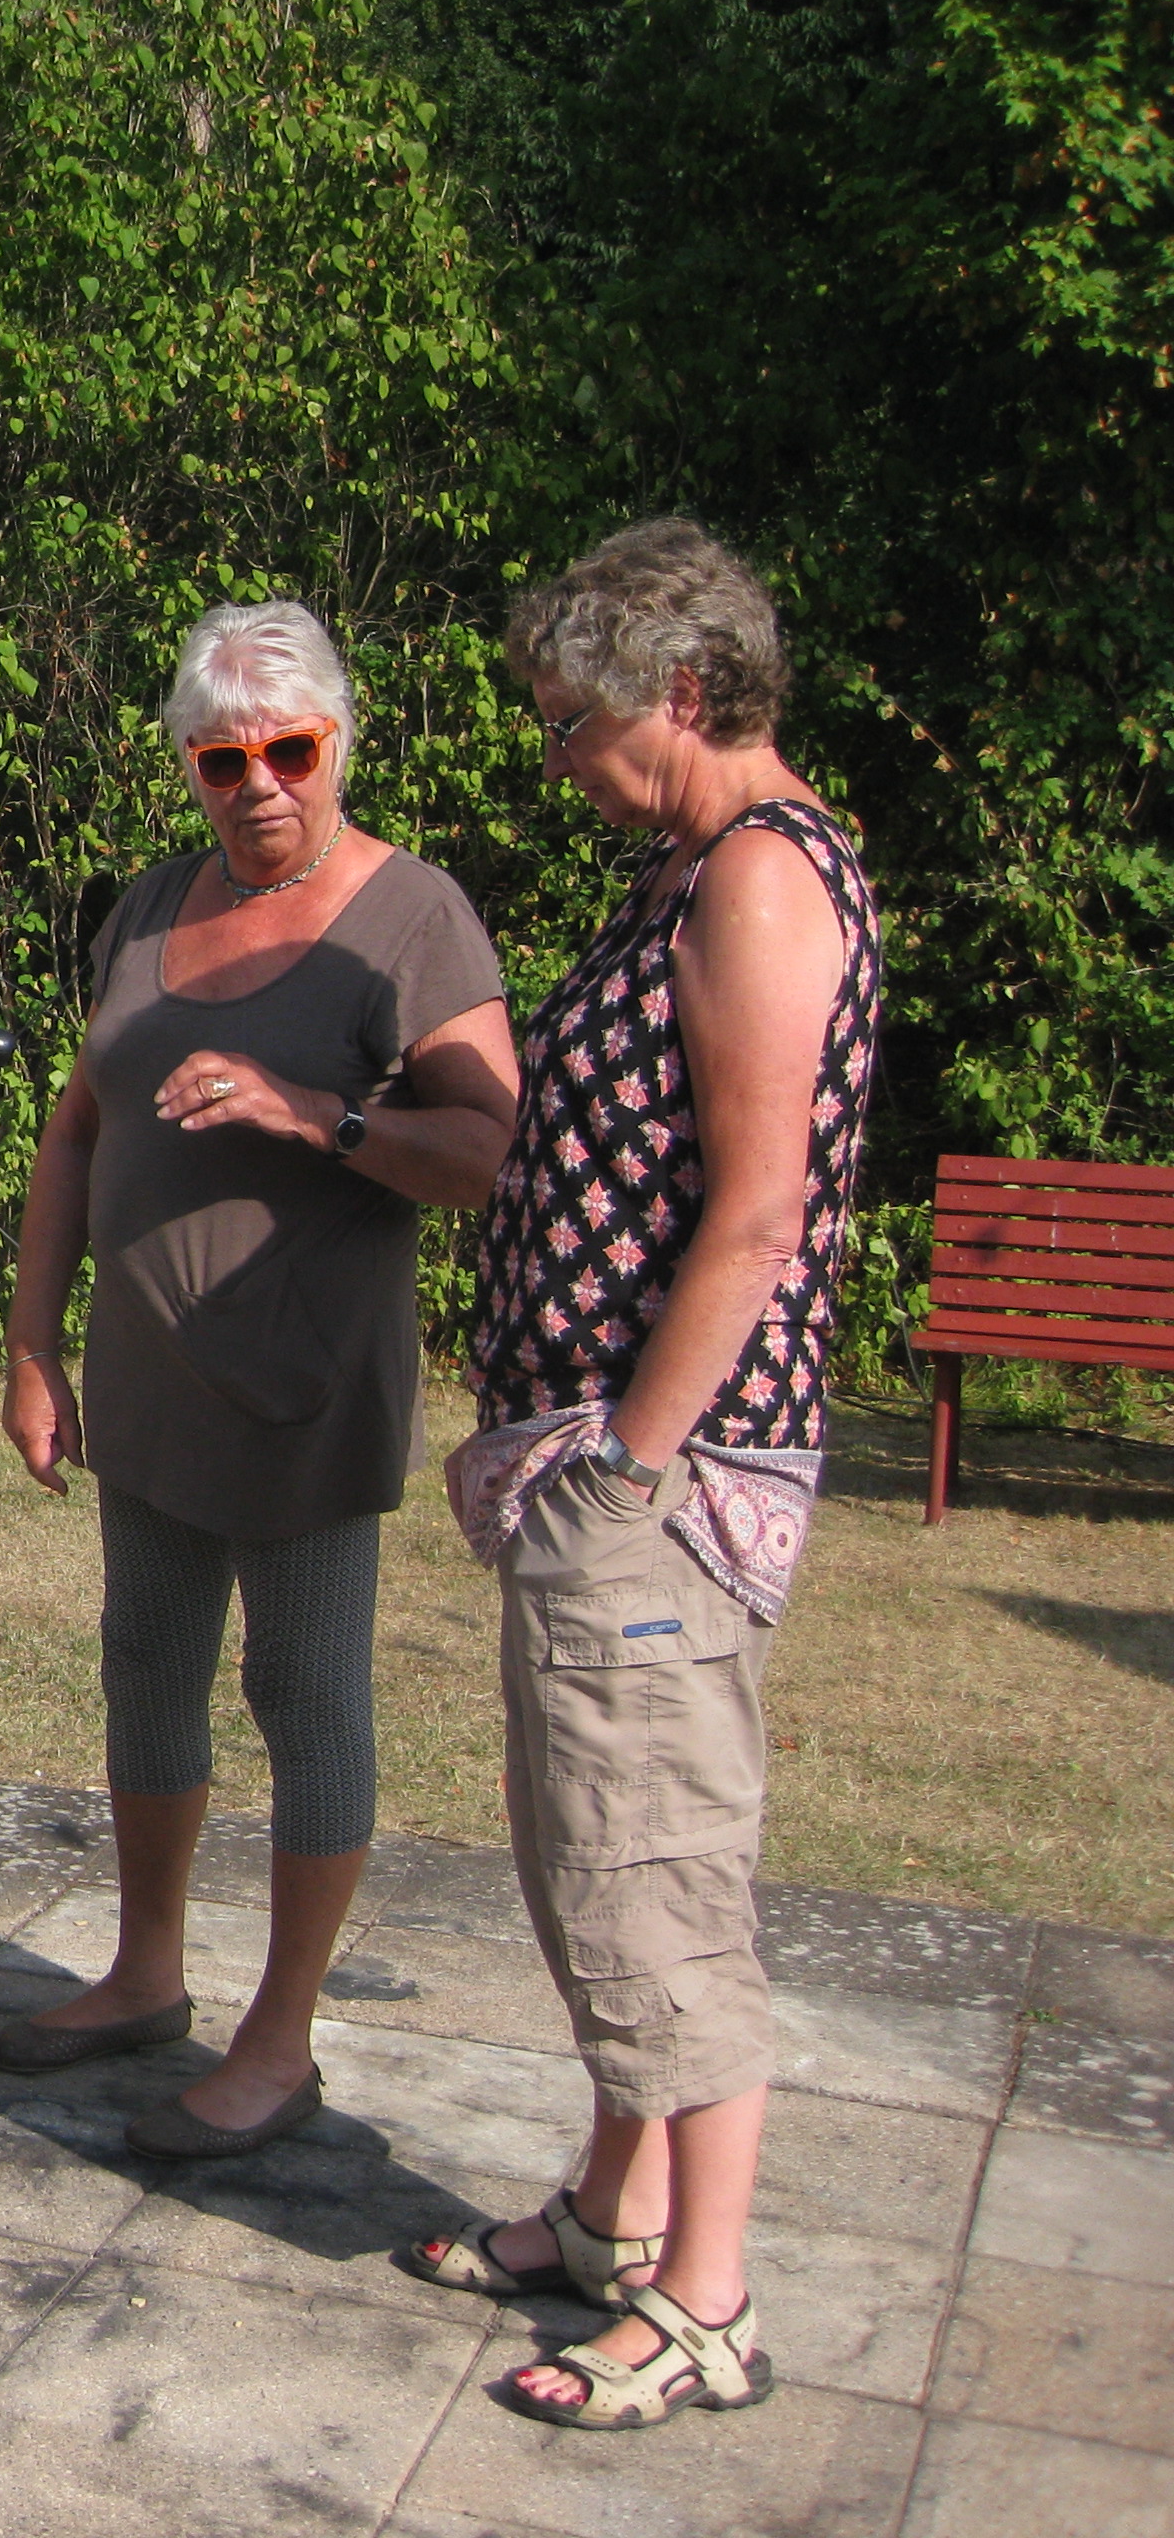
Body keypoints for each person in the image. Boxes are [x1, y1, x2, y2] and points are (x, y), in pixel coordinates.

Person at [405, 521, 880, 2430]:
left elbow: (755, 1216)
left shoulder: (760, 881)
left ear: (681, 690)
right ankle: (610, 2211)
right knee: (583, 1852)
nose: (555, 758)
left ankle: (703, 2296)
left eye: (571, 720)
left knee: (653, 1870)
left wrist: (623, 1465)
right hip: (605, 1460)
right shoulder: (687, 867)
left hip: (660, 1486)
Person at [0, 603, 516, 2159]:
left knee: (303, 1694)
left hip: (306, 1387)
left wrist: (315, 1113)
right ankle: (145, 1974)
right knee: (146, 1668)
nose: (259, 786)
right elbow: (78, 1129)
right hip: (149, 1383)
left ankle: (279, 2042)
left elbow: (486, 1154)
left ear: (339, 742)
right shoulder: (153, 906)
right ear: (187, 767)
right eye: (222, 761)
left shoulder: (413, 919)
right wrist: (31, 1343)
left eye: (289, 750)